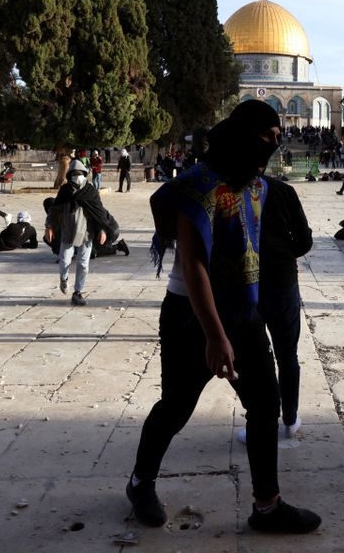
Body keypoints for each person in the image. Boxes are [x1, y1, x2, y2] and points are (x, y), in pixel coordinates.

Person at [128, 99, 321, 534]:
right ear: (244, 135)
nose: (274, 144)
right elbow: (194, 264)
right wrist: (215, 336)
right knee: (177, 405)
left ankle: (267, 506)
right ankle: (141, 482)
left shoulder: (256, 185)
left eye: (277, 137)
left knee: (265, 403)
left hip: (242, 310)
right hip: (192, 315)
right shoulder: (196, 186)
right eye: (267, 137)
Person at [237, 174, 313, 444]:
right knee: (287, 355)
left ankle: (260, 423)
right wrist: (281, 253)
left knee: (253, 358)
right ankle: (290, 420)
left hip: (248, 284)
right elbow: (305, 241)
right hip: (282, 283)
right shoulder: (284, 192)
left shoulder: (233, 193)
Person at [44, 159, 116, 305]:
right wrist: (49, 226)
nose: (77, 176)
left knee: (83, 264)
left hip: (86, 233)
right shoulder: (65, 190)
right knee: (64, 260)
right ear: (70, 175)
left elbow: (99, 212)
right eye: (74, 173)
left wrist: (102, 230)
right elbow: (54, 209)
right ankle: (63, 279)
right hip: (68, 232)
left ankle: (78, 292)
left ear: (84, 174)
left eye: (80, 173)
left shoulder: (90, 191)